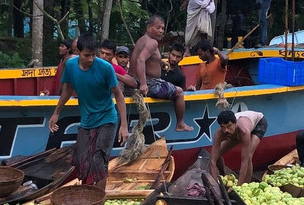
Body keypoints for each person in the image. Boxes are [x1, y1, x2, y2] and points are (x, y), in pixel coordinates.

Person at [48, 34, 129, 186]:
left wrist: (124, 125)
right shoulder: (71, 65)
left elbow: (118, 95)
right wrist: (56, 112)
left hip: (107, 118)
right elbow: (67, 90)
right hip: (87, 120)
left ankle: (99, 196)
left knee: (99, 159)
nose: (91, 59)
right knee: (82, 159)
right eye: (86, 55)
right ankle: (86, 191)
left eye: (93, 55)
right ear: (78, 53)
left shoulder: (105, 68)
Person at [130, 15, 194, 132]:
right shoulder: (153, 42)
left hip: (137, 79)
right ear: (149, 28)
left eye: (162, 28)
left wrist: (160, 61)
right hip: (150, 83)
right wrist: (144, 84)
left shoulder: (142, 40)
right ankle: (180, 123)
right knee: (179, 92)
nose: (161, 31)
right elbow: (140, 60)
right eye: (158, 27)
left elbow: (148, 57)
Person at [211, 109, 266, 185]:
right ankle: (223, 174)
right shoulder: (219, 133)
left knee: (248, 156)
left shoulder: (244, 132)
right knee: (218, 154)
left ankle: (246, 185)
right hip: (237, 132)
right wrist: (215, 184)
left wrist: (238, 186)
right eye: (223, 127)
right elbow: (212, 161)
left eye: (229, 126)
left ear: (235, 123)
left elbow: (244, 161)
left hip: (258, 124)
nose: (226, 130)